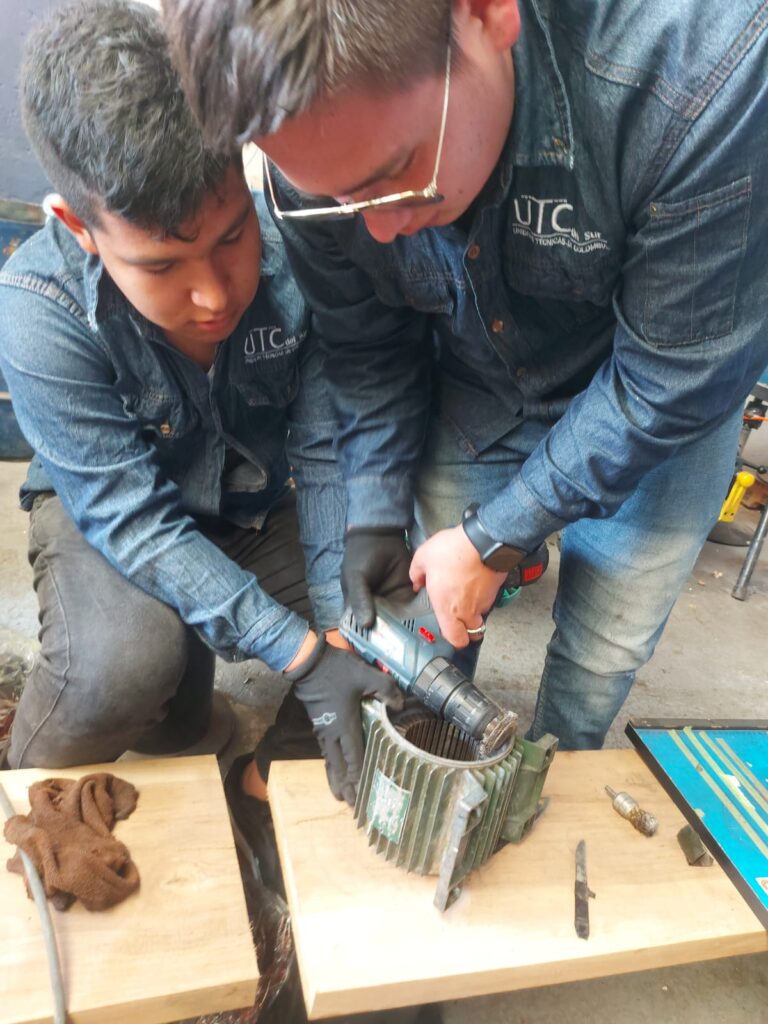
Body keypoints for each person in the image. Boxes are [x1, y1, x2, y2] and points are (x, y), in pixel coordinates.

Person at [163, 0, 768, 782]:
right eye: (340, 201)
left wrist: (496, 536)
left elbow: (672, 375)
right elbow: (368, 345)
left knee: (601, 651)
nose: (379, 233)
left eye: (394, 176)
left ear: (485, 14)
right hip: (480, 392)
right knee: (434, 631)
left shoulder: (701, 73)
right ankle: (438, 782)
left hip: (663, 423)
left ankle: (555, 773)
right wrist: (374, 511)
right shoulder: (311, 164)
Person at [0, 0, 400, 844]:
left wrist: (339, 631)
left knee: (391, 613)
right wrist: (297, 652)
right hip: (110, 511)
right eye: (162, 264)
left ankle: (263, 784)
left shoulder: (297, 258)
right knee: (121, 667)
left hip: (251, 505)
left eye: (230, 238)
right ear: (77, 228)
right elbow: (134, 523)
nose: (216, 294)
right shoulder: (38, 307)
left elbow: (323, 456)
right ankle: (27, 800)